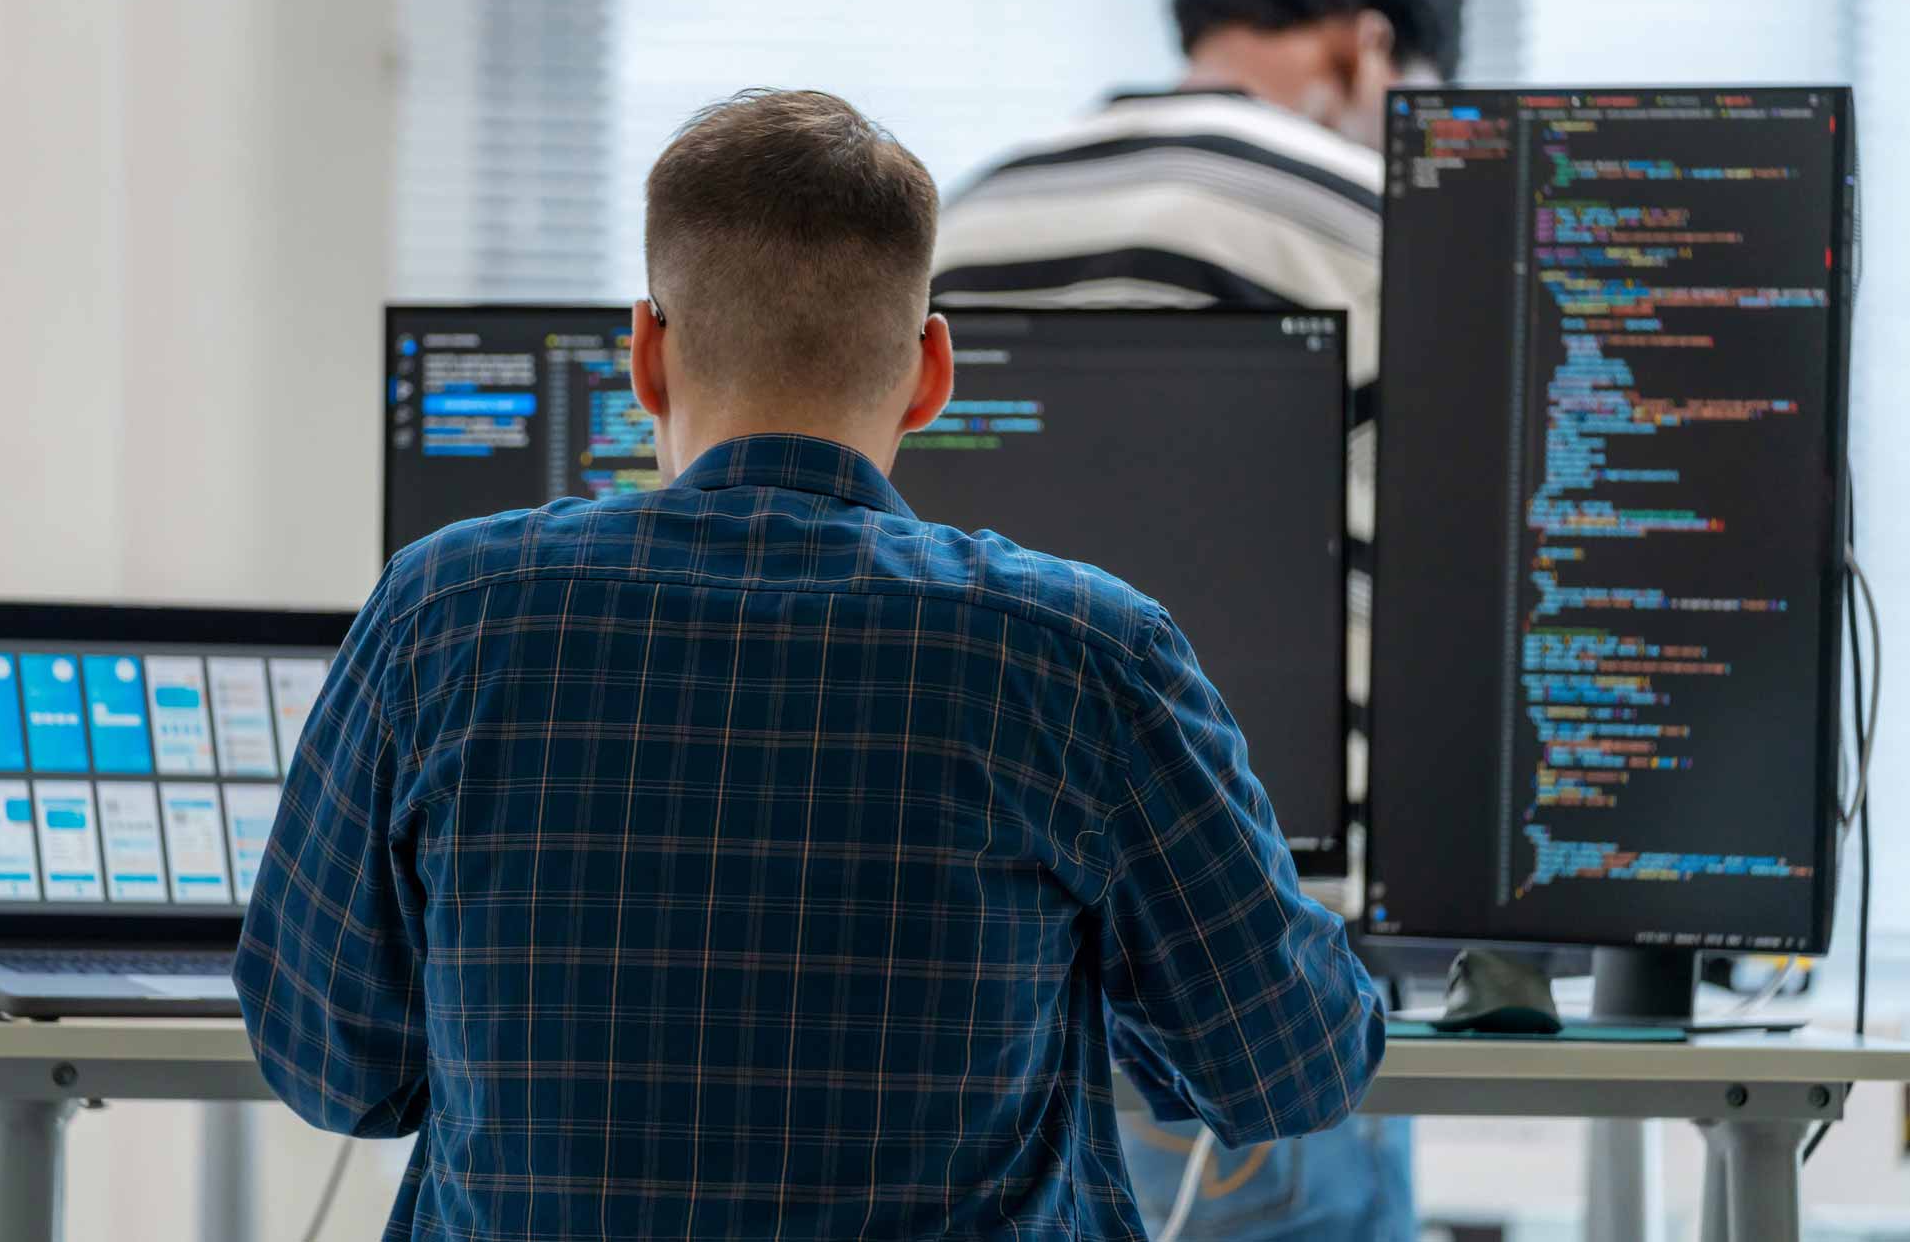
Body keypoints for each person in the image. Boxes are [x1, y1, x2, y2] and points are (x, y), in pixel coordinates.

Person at [235, 87, 1383, 1239]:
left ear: (644, 356)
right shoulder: (1087, 652)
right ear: (933, 369)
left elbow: (334, 1064)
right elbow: (1283, 1069)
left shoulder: (442, 611)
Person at [931, 0, 1465, 1241]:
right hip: (1255, 945)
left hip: (960, 956)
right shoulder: (1388, 215)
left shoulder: (955, 217)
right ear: (1365, 49)